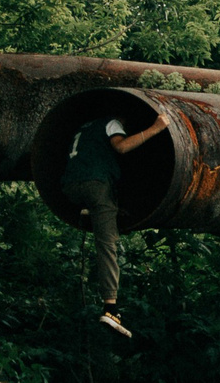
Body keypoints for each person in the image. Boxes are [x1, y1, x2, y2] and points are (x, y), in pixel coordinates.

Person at [61, 108, 167, 337]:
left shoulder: (86, 128)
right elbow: (122, 147)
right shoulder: (112, 123)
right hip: (95, 184)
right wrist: (155, 128)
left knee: (101, 207)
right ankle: (111, 309)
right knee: (107, 243)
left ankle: (88, 211)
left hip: (70, 187)